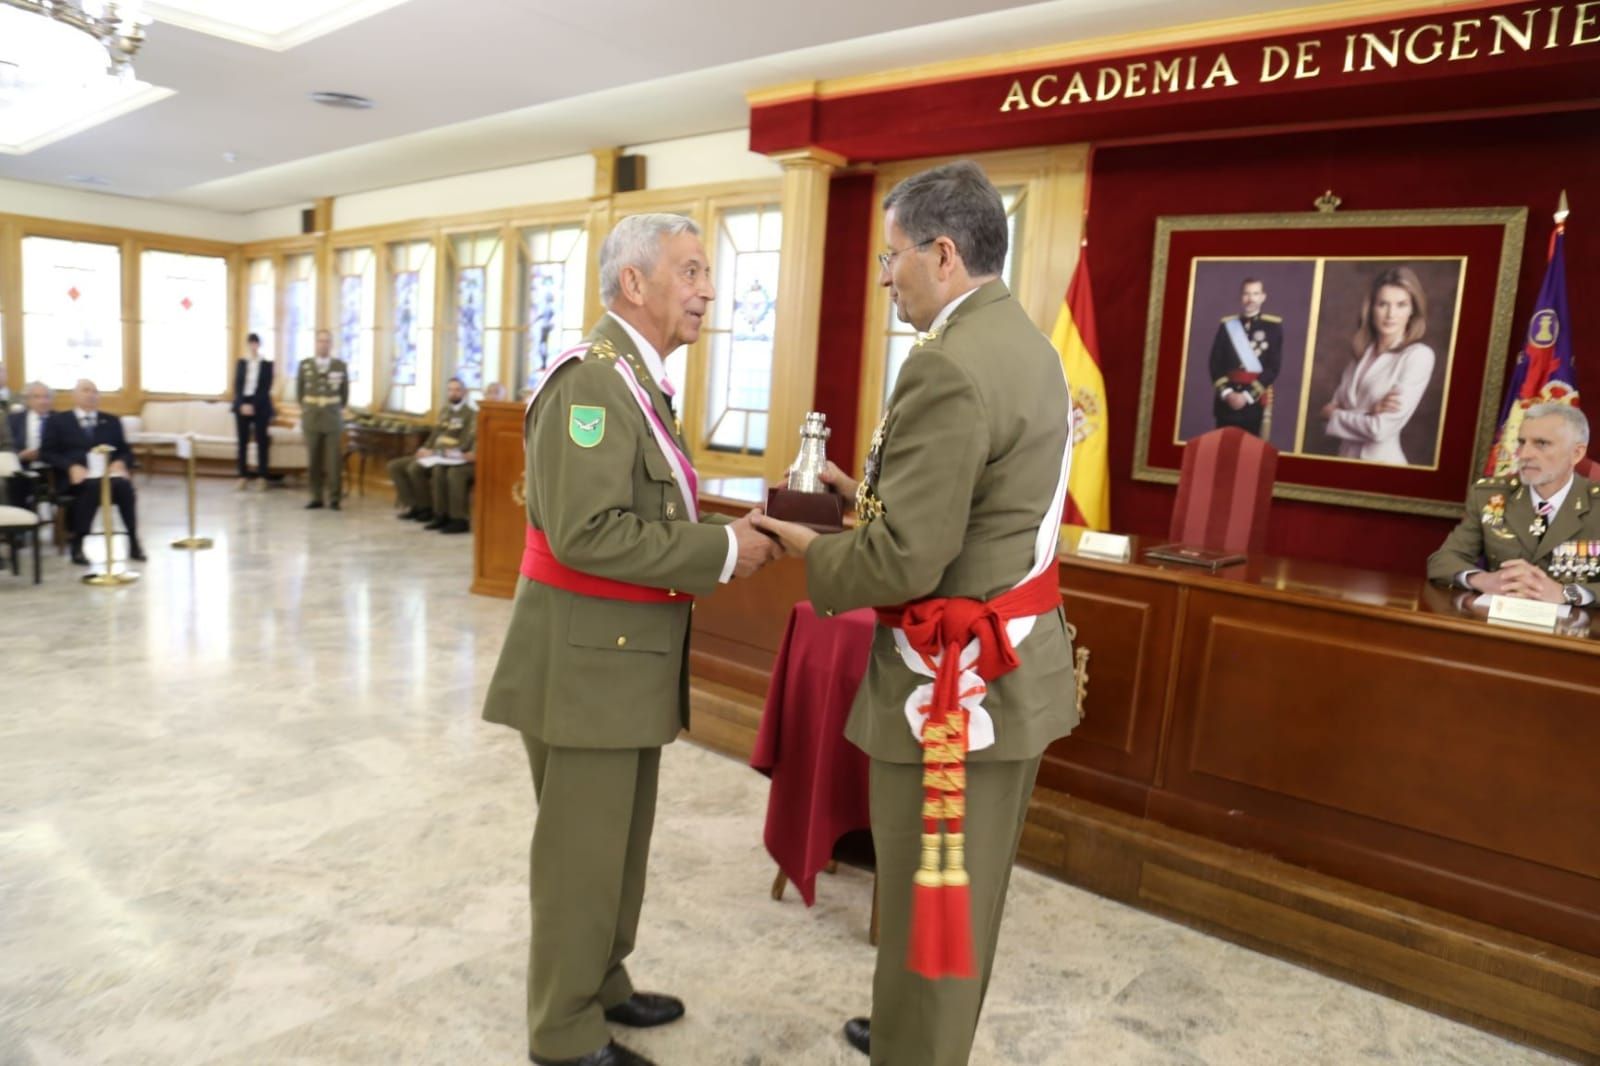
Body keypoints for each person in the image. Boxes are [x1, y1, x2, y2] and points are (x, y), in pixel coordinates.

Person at [756, 161, 1079, 1066]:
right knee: (951, 901)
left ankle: (918, 1044)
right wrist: (860, 497)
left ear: (942, 254)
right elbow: (981, 512)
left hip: (959, 688)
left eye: (891, 256)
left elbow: (908, 557)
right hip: (1008, 664)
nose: (885, 275)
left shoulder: (946, 368)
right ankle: (910, 1028)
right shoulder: (1027, 343)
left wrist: (803, 544)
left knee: (936, 908)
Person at [481, 213, 777, 1066]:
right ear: (633, 284)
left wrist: (727, 532)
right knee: (581, 856)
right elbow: (586, 532)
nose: (708, 290)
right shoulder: (592, 383)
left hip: (620, 662)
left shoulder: (635, 382)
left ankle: (600, 983)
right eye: (688, 272)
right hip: (585, 666)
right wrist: (722, 550)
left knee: (617, 843)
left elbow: (649, 511)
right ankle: (564, 1034)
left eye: (706, 273)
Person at [1428, 403, 1600, 606]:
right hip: (1501, 621)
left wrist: (1566, 593)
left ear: (1576, 453)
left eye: (1541, 444)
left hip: (1574, 630)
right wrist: (1482, 580)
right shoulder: (1490, 496)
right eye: (1521, 442)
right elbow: (1443, 560)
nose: (1524, 454)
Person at [1319, 266, 1436, 465]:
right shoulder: (1359, 355)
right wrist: (1369, 411)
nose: (1391, 314)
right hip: (1342, 464)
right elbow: (1323, 418)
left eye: (1401, 305)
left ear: (1412, 311)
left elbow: (1379, 430)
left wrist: (1335, 415)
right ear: (1371, 308)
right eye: (1383, 304)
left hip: (1383, 468)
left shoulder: (1418, 356)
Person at [41, 379, 143, 565]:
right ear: (74, 396)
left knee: (124, 487)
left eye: (94, 391)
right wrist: (70, 466)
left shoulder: (112, 421)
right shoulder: (58, 421)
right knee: (92, 486)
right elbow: (47, 452)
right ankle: (78, 543)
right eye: (85, 390)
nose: (91, 395)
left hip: (109, 476)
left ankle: (134, 540)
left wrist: (121, 462)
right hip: (75, 479)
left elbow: (125, 451)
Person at [387, 376, 476, 533]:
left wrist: (436, 452)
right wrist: (424, 448)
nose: (453, 393)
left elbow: (464, 443)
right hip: (434, 454)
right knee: (395, 466)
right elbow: (435, 434)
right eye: (450, 390)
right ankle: (416, 505)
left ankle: (437, 512)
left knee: (416, 469)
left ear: (464, 392)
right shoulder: (445, 411)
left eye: (457, 390)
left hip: (449, 457)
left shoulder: (470, 414)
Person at [1207, 277, 1282, 436]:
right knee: (1222, 452)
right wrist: (1227, 393)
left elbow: (1272, 368)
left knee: (1249, 454)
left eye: (1255, 294)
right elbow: (1215, 363)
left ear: (1263, 297)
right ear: (1241, 297)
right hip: (1226, 402)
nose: (1250, 299)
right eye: (1246, 294)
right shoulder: (1227, 325)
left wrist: (1247, 396)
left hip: (1253, 403)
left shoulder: (1273, 327)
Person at [297, 329, 348, 510]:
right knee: (314, 459)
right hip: (311, 418)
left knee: (334, 460)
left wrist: (333, 408)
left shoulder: (340, 366)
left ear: (331, 344)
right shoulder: (305, 365)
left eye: (327, 341)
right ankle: (316, 496)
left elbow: (344, 395)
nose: (323, 344)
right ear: (315, 343)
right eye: (320, 341)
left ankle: (335, 498)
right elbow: (300, 393)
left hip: (332, 418)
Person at [232, 332, 275, 490]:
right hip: (242, 403)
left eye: (255, 343)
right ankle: (242, 476)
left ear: (259, 345)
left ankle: (262, 476)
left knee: (261, 441)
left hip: (261, 405)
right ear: (248, 345)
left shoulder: (267, 364)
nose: (253, 346)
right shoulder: (241, 363)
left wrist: (254, 405)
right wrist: (242, 404)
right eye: (251, 343)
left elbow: (266, 388)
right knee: (242, 441)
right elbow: (237, 385)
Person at [7, 382, 52, 511]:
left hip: (51, 467)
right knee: (15, 482)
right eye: (37, 397)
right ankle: (20, 524)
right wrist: (20, 455)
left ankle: (47, 522)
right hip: (22, 466)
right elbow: (7, 446)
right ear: (27, 400)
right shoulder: (14, 420)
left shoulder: (60, 419)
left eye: (46, 397)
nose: (43, 401)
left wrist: (43, 454)